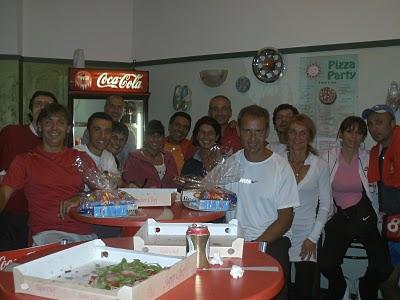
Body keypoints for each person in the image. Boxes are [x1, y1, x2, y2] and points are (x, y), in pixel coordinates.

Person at [211, 104, 299, 299]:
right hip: (235, 239)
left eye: (258, 132)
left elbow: (286, 219)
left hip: (272, 240)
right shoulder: (230, 164)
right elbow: (207, 193)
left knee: (272, 292)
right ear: (239, 132)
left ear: (266, 132)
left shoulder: (280, 167)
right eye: (247, 131)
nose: (253, 138)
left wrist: (257, 245)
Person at [318, 115, 394, 299]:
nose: (354, 136)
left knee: (383, 268)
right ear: (341, 133)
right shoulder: (327, 157)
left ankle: (364, 288)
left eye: (359, 133)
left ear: (363, 137)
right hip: (339, 217)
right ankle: (340, 286)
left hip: (365, 218)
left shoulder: (369, 157)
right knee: (326, 265)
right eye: (349, 131)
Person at [0, 103, 96, 245]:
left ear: (68, 128)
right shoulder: (25, 160)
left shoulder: (81, 158)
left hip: (84, 235)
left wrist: (82, 197)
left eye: (61, 122)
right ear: (39, 127)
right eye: (48, 122)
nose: (54, 128)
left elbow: (105, 193)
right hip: (46, 236)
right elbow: (4, 194)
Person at [0, 90, 57, 250]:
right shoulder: (11, 133)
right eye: (38, 104)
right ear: (30, 111)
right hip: (10, 213)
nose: (43, 108)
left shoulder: (56, 142)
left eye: (49, 105)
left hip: (41, 216)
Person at [285, 114, 332, 300]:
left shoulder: (319, 165)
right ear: (286, 135)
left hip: (307, 234)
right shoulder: (277, 162)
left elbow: (325, 206)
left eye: (302, 133)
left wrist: (313, 238)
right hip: (280, 233)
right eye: (293, 132)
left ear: (309, 136)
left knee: (304, 290)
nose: (297, 138)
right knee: (283, 288)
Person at [362, 104, 400, 299]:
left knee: (387, 281)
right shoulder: (375, 152)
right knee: (386, 281)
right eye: (370, 124)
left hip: (396, 225)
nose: (374, 128)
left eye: (379, 122)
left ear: (393, 123)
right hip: (390, 226)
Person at [81, 95, 136, 167]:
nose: (115, 110)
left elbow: (130, 161)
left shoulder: (130, 135)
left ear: (123, 111)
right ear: (105, 108)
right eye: (112, 106)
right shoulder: (93, 130)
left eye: (119, 107)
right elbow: (86, 155)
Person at [123, 120, 178, 188]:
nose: (156, 139)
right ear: (145, 137)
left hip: (168, 198)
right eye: (152, 135)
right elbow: (128, 183)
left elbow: (175, 183)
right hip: (140, 198)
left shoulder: (169, 158)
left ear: (163, 138)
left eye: (159, 136)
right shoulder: (133, 158)